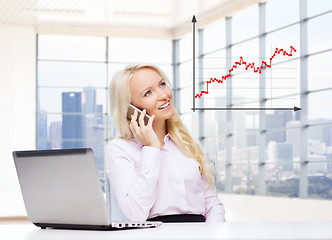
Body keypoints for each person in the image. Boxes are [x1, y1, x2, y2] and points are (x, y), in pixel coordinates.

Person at [105, 63, 225, 223]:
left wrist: (212, 234)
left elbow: (212, 204)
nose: (163, 95)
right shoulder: (119, 149)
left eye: (162, 84)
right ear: (131, 109)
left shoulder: (187, 143)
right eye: (148, 93)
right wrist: (151, 148)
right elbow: (135, 213)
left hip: (200, 232)